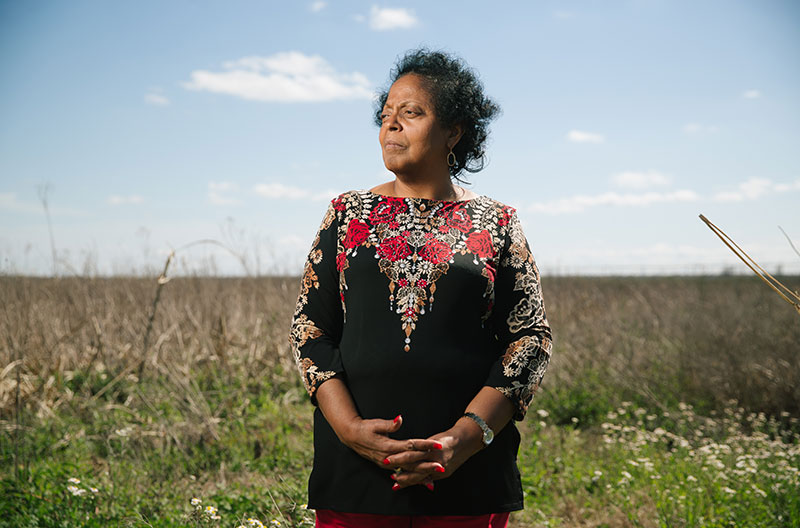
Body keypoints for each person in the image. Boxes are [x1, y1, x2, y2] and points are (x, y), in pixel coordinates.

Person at [288, 48, 552, 528]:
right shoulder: (346, 215)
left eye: (411, 113)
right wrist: (349, 430)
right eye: (386, 115)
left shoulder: (498, 223)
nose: (391, 125)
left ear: (454, 131)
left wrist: (465, 438)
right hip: (355, 478)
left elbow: (530, 339)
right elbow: (310, 328)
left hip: (468, 479)